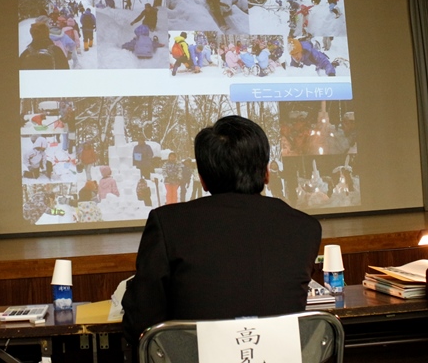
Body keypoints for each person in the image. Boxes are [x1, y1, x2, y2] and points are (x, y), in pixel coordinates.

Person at [122, 115, 322, 345]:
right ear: (266, 172)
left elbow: (141, 324)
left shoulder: (168, 223)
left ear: (203, 179)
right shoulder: (305, 228)